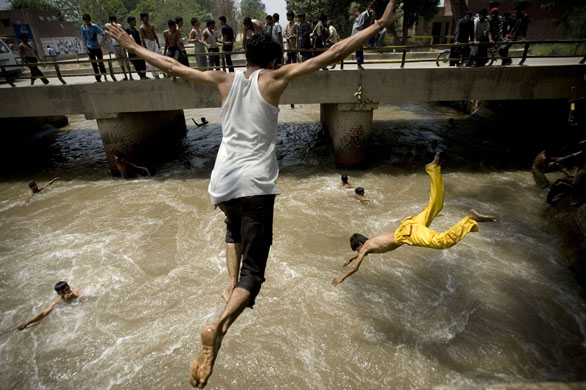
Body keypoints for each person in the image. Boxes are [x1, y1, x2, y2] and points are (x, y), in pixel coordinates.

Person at [105, 2, 403, 387]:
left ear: (245, 56)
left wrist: (132, 45)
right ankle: (220, 327)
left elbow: (173, 66)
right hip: (255, 186)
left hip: (222, 184)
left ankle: (229, 286)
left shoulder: (224, 80)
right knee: (256, 274)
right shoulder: (276, 80)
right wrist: (377, 25)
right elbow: (334, 52)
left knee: (233, 227)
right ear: (275, 60)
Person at [332, 153, 496, 287]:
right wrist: (351, 257)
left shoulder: (366, 247)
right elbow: (361, 255)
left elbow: (356, 267)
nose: (359, 253)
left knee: (443, 241)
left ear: (360, 245)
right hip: (409, 223)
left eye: (357, 251)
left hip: (408, 234)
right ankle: (434, 170)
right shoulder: (371, 241)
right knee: (436, 205)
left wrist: (342, 277)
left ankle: (469, 219)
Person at [81, 14, 109, 82]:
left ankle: (105, 76)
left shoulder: (94, 26)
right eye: (85, 20)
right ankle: (98, 78)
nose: (87, 22)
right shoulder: (83, 27)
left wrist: (101, 44)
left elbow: (104, 34)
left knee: (100, 62)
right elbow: (83, 38)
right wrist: (86, 48)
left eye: (88, 20)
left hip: (96, 47)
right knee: (94, 64)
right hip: (89, 47)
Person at [105, 16, 133, 80]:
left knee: (125, 60)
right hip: (115, 45)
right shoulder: (109, 27)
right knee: (120, 62)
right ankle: (125, 75)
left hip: (121, 45)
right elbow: (106, 32)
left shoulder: (119, 26)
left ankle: (130, 75)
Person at [352, 3, 374, 70]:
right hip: (357, 32)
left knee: (360, 47)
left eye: (372, 8)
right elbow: (360, 25)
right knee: (358, 48)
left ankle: (361, 62)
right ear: (367, 8)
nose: (371, 9)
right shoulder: (364, 14)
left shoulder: (369, 15)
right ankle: (359, 64)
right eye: (370, 7)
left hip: (360, 31)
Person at [139, 12, 161, 78]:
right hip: (148, 43)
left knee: (158, 56)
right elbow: (142, 38)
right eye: (146, 17)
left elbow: (155, 34)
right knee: (151, 59)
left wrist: (158, 43)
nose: (147, 18)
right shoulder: (142, 27)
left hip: (154, 41)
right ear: (142, 18)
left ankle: (162, 72)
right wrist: (145, 48)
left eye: (147, 16)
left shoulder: (151, 25)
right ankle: (155, 74)